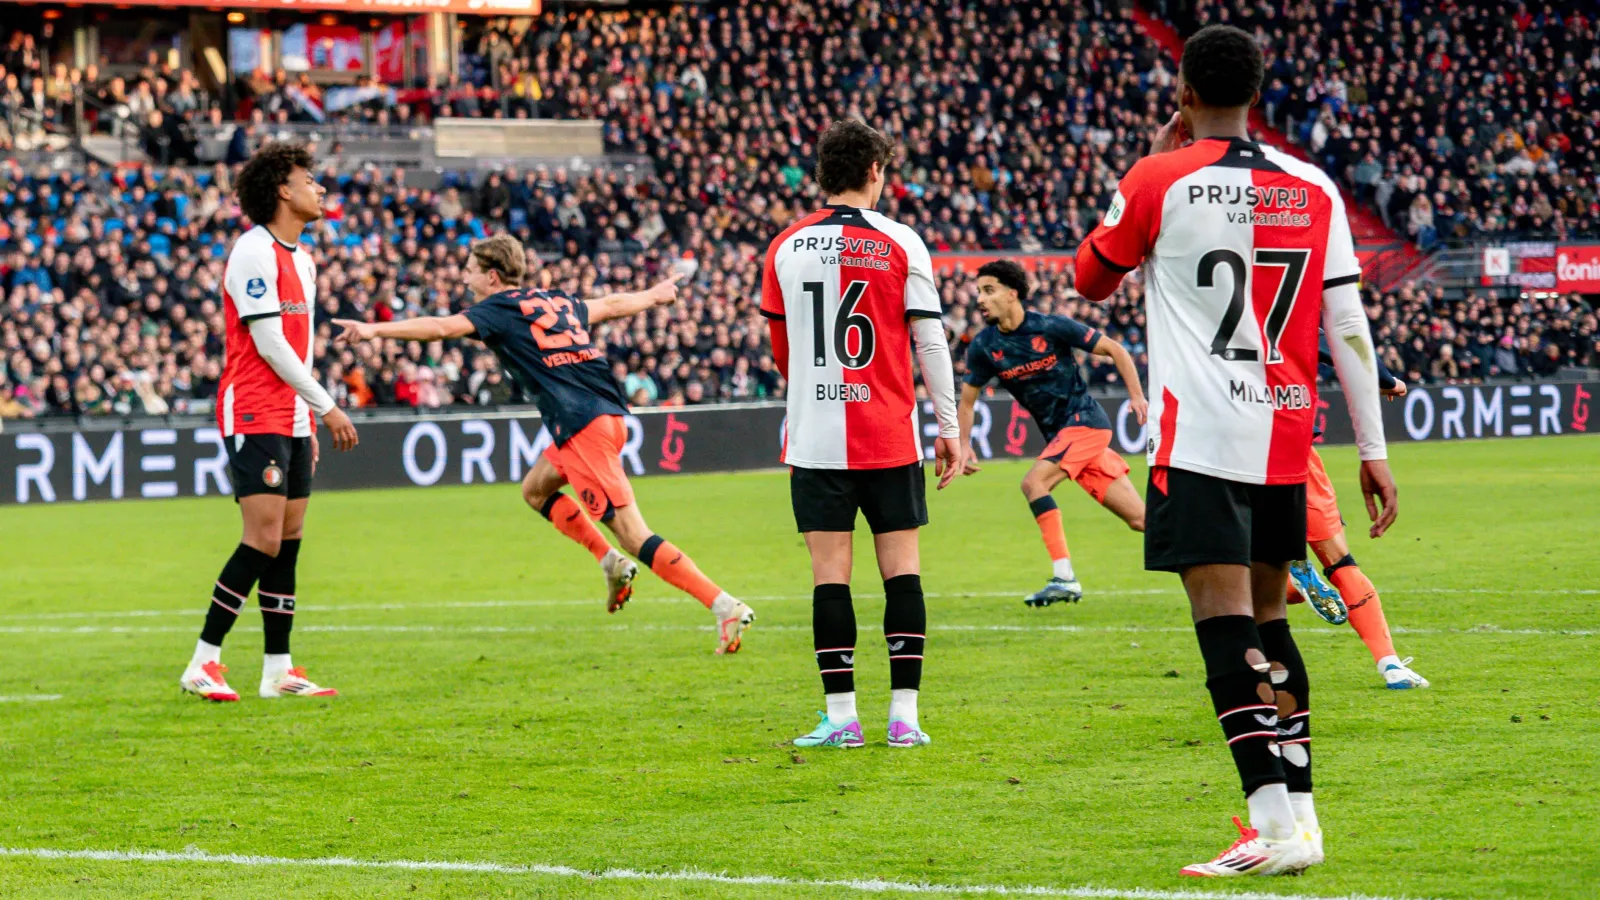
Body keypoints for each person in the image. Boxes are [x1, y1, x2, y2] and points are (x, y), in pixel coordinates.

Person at [1072, 26, 1396, 877]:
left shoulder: (1157, 178)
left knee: (1224, 630)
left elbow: (1088, 279)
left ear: (1183, 93)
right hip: (1285, 436)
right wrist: (1374, 448)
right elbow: (1349, 325)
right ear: (1258, 92)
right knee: (1270, 621)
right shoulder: (1314, 186)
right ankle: (1304, 819)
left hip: (1202, 435)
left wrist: (1138, 170)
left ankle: (1272, 828)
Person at [334, 234, 755, 653]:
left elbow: (441, 327)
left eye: (470, 272)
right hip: (600, 416)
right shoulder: (554, 301)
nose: (464, 279)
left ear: (492, 276)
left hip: (584, 424)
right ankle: (610, 562)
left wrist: (374, 329)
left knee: (633, 533)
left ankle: (722, 605)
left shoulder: (497, 309)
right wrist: (653, 295)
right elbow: (609, 305)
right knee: (536, 490)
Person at [759, 119, 962, 750]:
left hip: (817, 439)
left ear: (822, 173)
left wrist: (820, 389)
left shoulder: (785, 246)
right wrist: (950, 426)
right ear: (876, 170)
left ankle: (842, 718)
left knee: (830, 577)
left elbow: (781, 349)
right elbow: (929, 340)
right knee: (902, 572)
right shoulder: (903, 241)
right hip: (890, 435)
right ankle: (905, 717)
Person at [179, 142, 360, 703]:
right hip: (254, 407)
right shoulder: (252, 252)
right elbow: (270, 343)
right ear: (283, 189)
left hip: (292, 415)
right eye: (310, 179)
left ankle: (277, 670)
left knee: (288, 538)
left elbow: (298, 352)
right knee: (260, 539)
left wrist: (307, 415)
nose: (320, 188)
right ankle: (204, 661)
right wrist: (327, 405)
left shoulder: (302, 259)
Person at [956, 259, 1148, 606]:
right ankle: (1236, 553)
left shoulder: (1051, 326)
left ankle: (1064, 577)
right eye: (978, 292)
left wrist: (1136, 395)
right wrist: (963, 444)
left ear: (1012, 294)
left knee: (1033, 483)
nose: (980, 299)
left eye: (988, 290)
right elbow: (967, 402)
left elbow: (1115, 350)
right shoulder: (984, 346)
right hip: (1066, 437)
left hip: (1086, 423)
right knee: (1141, 520)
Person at [1288, 344, 1428, 689]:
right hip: (1290, 444)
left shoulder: (1205, 314)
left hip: (1226, 454)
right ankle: (1390, 665)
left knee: (1245, 575)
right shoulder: (1284, 305)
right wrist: (1386, 379)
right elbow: (1341, 341)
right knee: (1341, 563)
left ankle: (1292, 581)